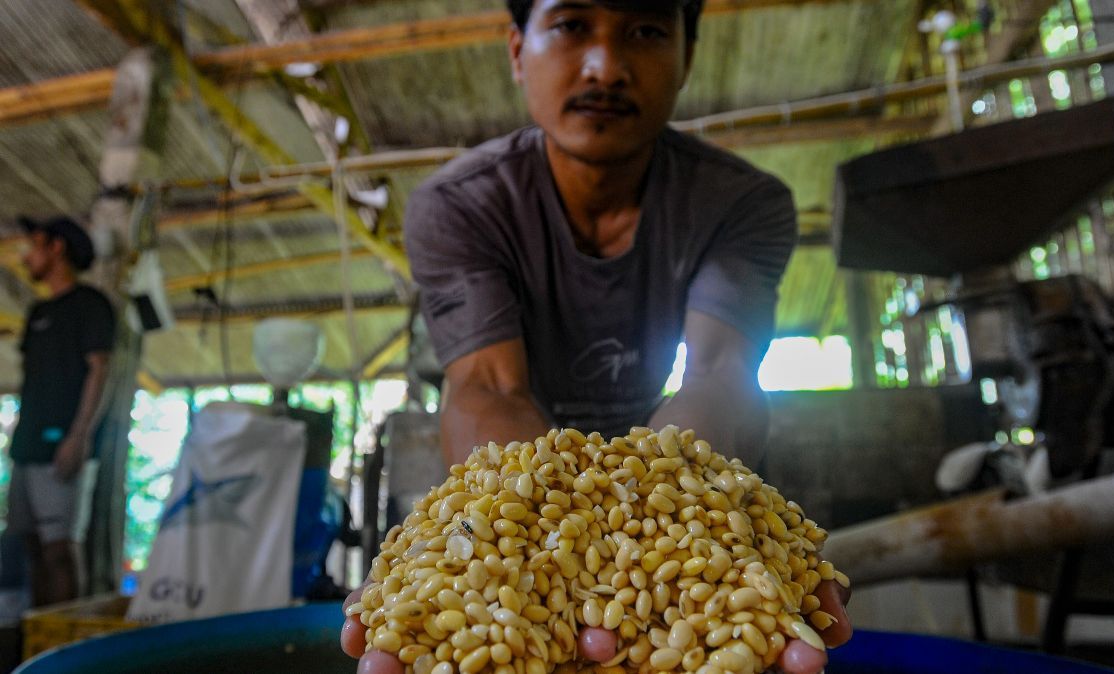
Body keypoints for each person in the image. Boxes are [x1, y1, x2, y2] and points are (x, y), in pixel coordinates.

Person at [342, 2, 850, 672]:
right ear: (518, 51)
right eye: (571, 25)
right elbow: (488, 383)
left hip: (676, 465)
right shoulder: (459, 205)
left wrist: (678, 519)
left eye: (645, 29)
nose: (606, 66)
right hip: (512, 469)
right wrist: (534, 531)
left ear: (686, 57)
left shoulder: (742, 202)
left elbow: (720, 370)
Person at [6, 216, 114, 607]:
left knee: (59, 548)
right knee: (31, 545)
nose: (26, 255)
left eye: (34, 244)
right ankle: (38, 641)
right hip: (27, 445)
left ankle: (66, 642)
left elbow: (99, 370)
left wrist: (79, 435)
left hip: (63, 444)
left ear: (57, 248)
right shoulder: (38, 313)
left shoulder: (90, 305)